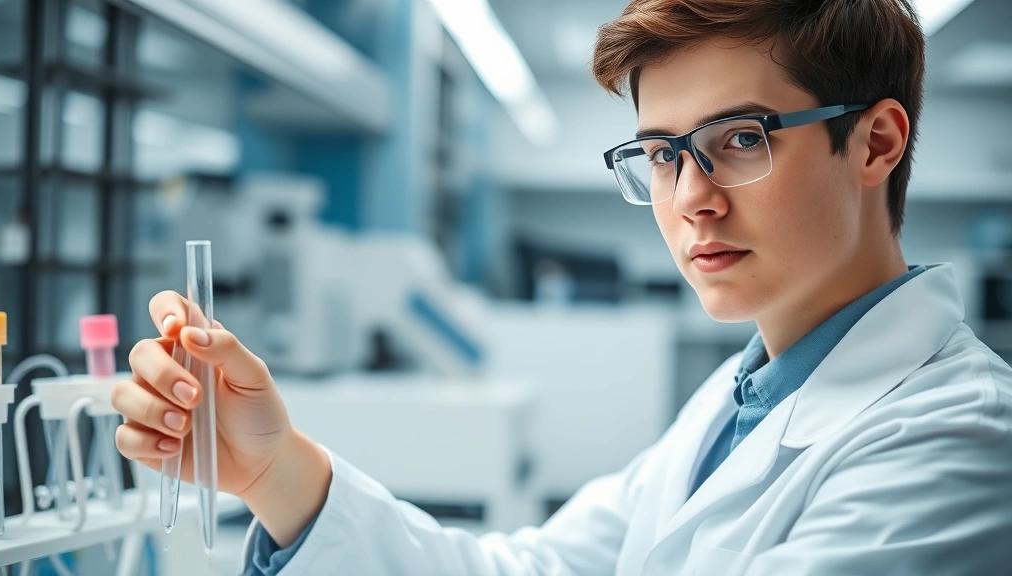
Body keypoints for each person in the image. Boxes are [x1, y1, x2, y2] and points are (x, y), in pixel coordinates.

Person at [111, 0, 1012, 574]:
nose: (689, 198)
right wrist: (273, 471)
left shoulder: (962, 441)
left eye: (741, 138)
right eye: (662, 154)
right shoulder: (746, 397)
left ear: (876, 143)